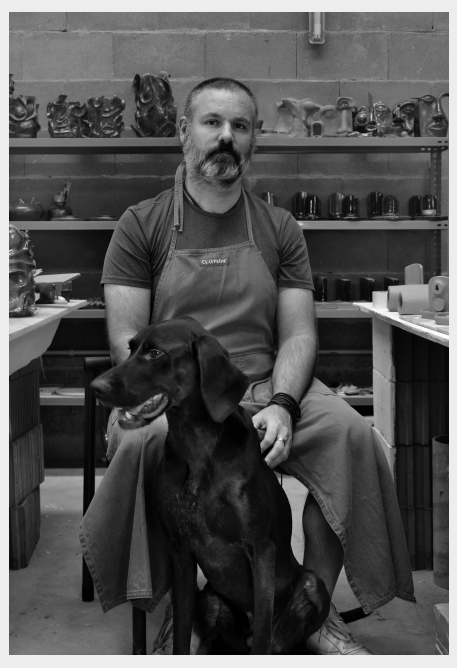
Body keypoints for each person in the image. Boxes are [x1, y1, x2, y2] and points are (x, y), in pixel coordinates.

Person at [80, 77, 415, 656]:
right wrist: (160, 402)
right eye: (212, 122)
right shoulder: (142, 224)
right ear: (184, 131)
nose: (226, 137)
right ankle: (179, 606)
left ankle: (311, 612)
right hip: (177, 393)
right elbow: (126, 341)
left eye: (240, 126)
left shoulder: (278, 228)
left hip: (263, 385)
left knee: (350, 434)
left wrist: (283, 404)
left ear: (254, 139)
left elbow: (299, 333)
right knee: (143, 447)